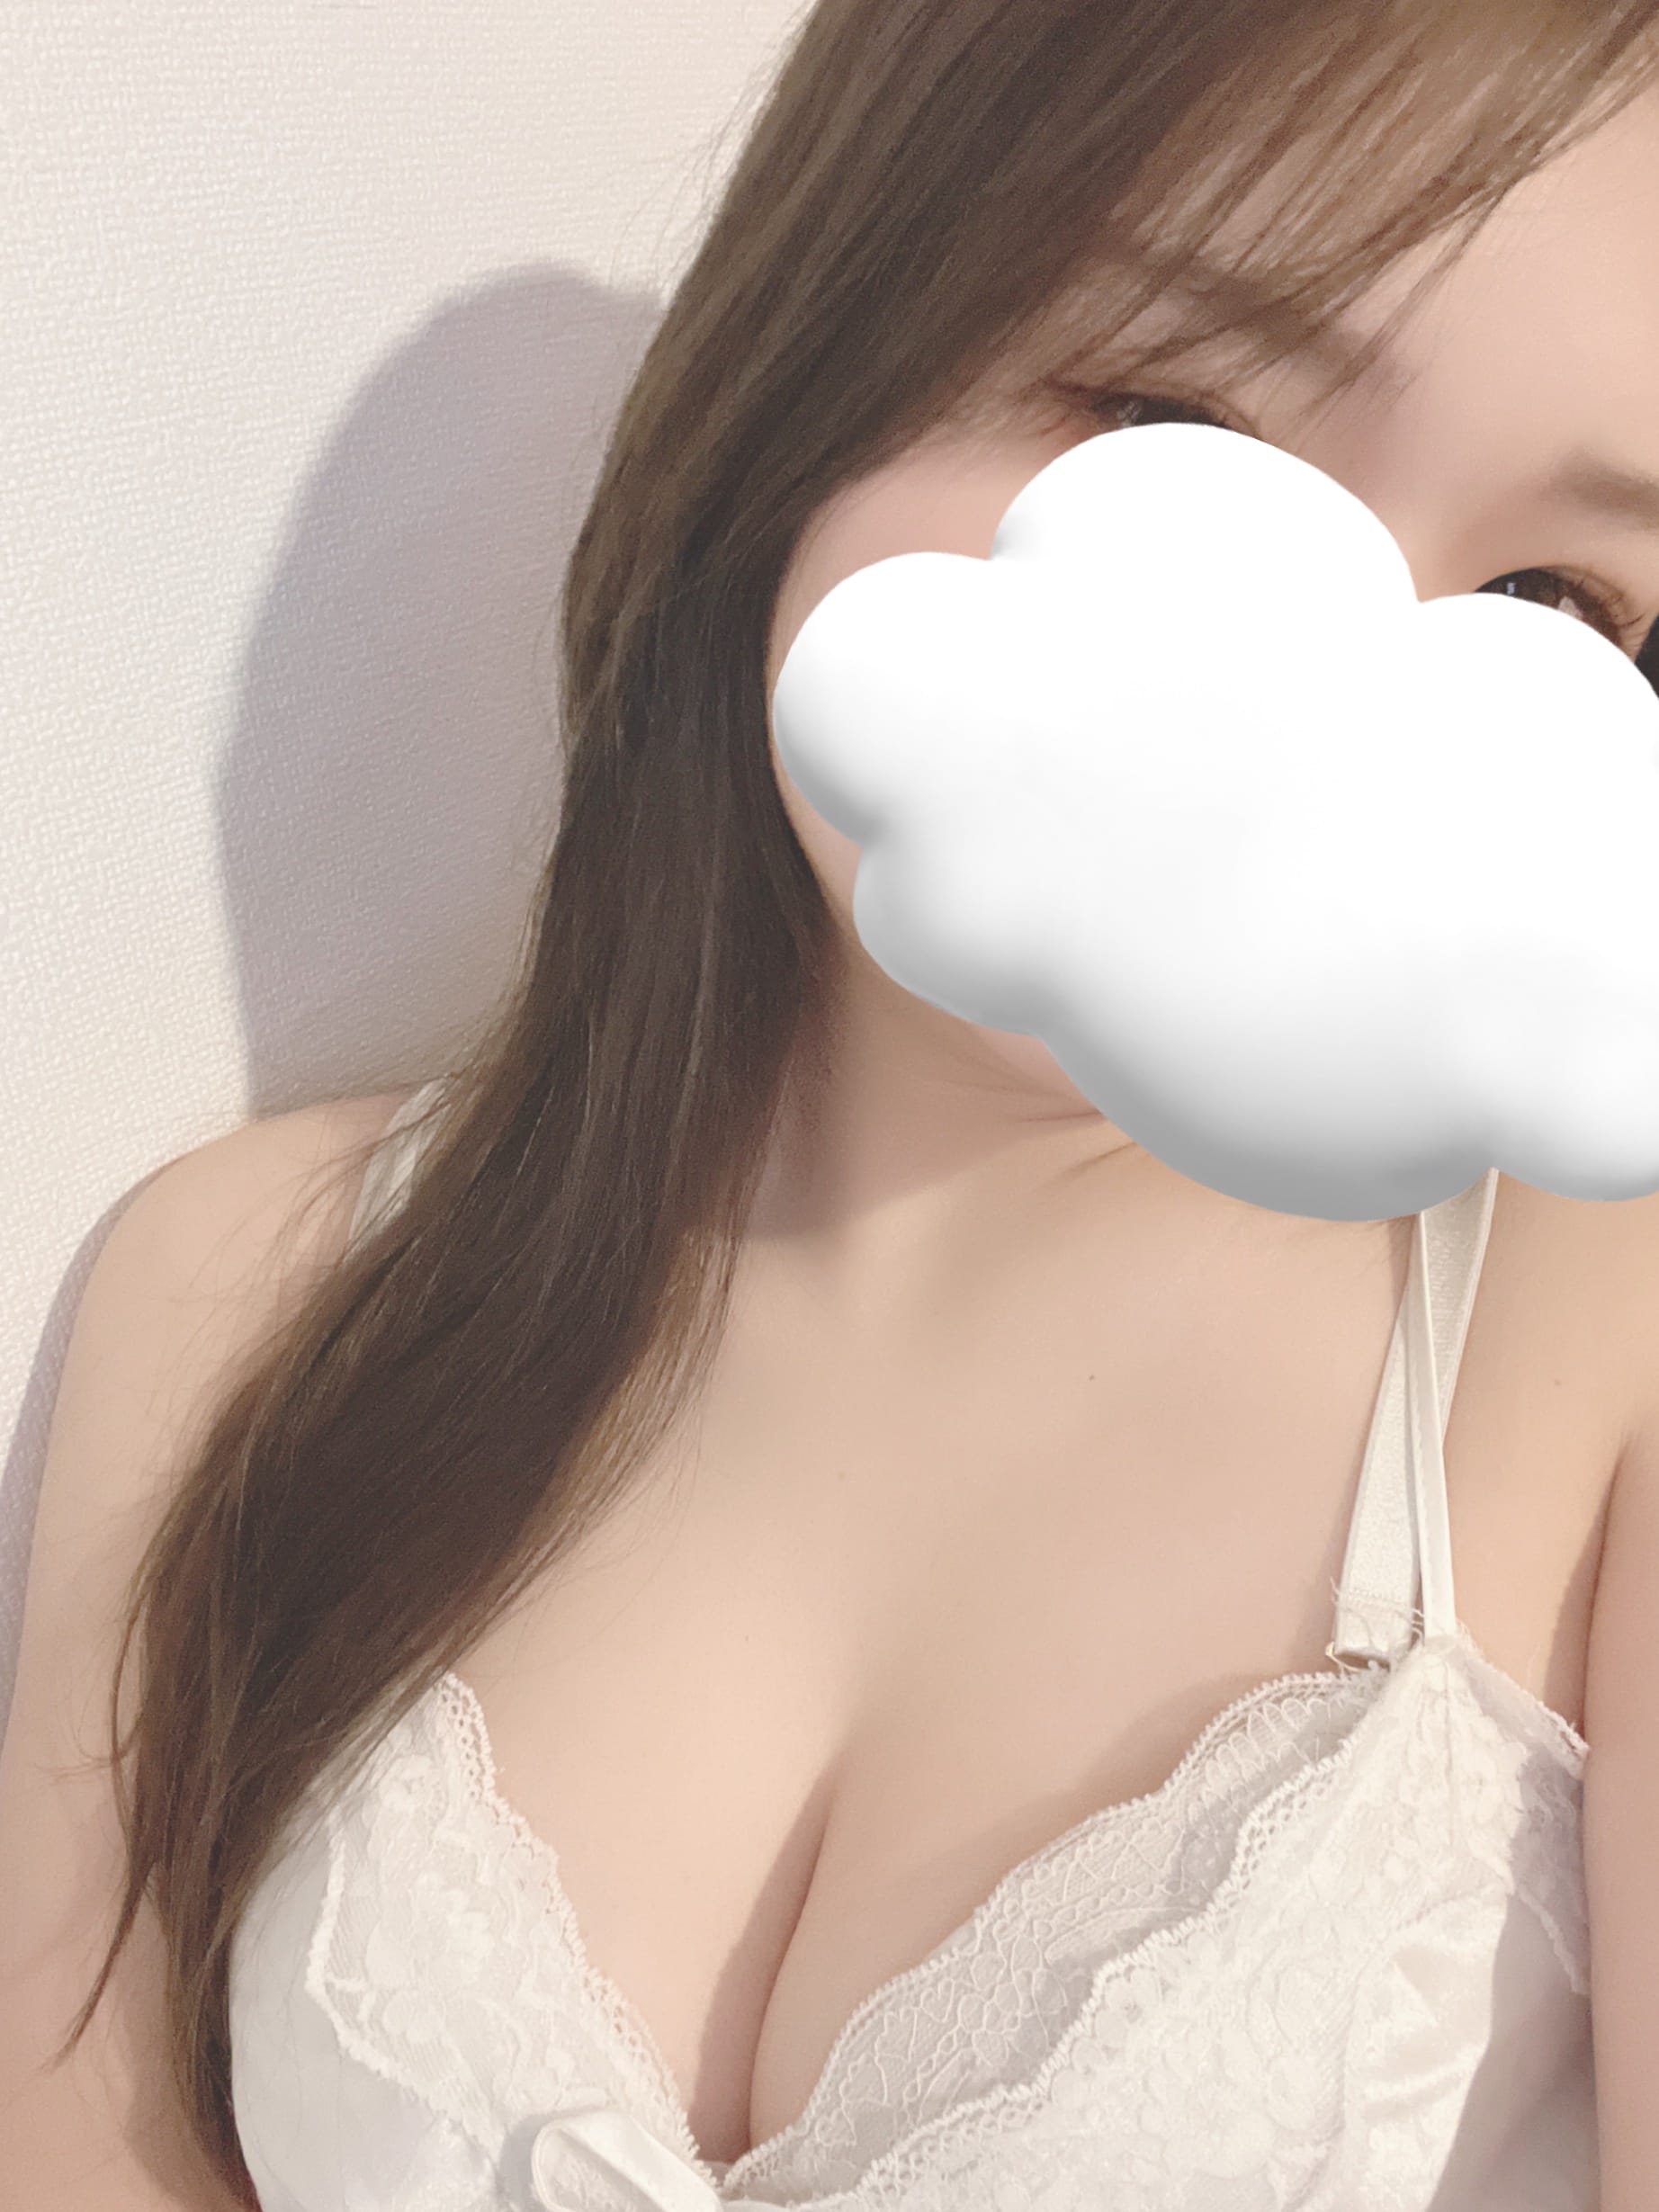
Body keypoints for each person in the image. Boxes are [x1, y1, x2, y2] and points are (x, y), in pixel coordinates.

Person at [5, 2, 1659, 2206]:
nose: (1317, 735)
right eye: (1164, 423)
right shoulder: (245, 1296)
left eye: (1549, 604)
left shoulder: (1602, 1341)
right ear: (840, 335)